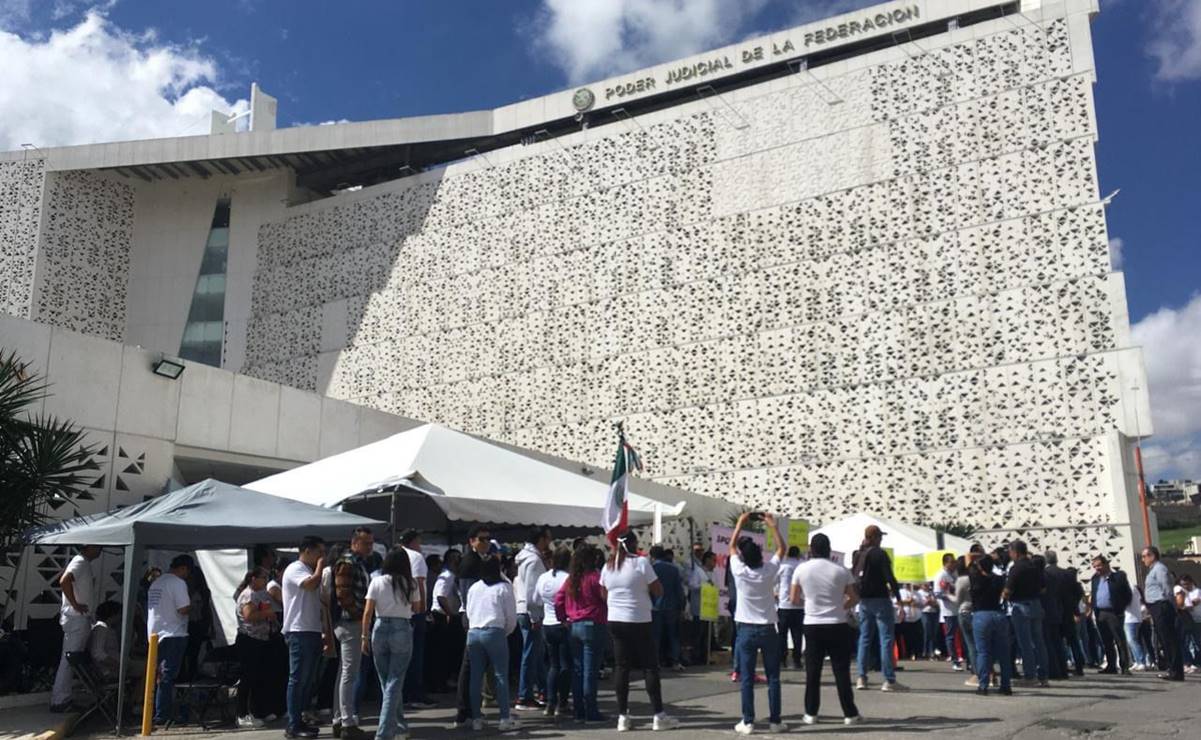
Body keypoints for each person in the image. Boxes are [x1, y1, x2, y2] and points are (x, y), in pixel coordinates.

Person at [602, 531, 679, 732]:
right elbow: (658, 590)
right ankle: (658, 715)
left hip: (615, 619)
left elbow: (603, 592)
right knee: (649, 667)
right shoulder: (641, 563)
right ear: (633, 545)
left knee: (622, 667)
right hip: (639, 619)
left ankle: (623, 716)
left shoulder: (609, 565)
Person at [789, 533, 860, 726]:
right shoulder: (841, 570)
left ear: (811, 549)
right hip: (837, 623)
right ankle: (850, 713)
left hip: (812, 623)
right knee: (841, 671)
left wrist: (810, 604)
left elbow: (794, 598)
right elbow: (854, 598)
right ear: (829, 549)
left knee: (813, 671)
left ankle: (811, 712)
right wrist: (840, 606)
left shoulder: (801, 569)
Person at [728, 512, 787, 734]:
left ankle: (748, 721)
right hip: (768, 628)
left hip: (745, 628)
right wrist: (772, 526)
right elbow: (782, 549)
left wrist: (741, 522)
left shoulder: (740, 570)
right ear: (761, 555)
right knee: (773, 677)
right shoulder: (768, 571)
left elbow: (732, 547)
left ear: (744, 556)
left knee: (746, 677)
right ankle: (775, 720)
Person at [361, 546, 420, 740]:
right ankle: (385, 733)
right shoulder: (410, 583)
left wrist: (364, 636)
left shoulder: (377, 581)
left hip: (379, 627)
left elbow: (368, 612)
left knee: (386, 681)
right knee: (394, 681)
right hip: (401, 627)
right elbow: (417, 607)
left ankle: (400, 726)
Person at [282, 536, 330, 739]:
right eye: (319, 552)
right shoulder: (296, 568)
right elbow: (310, 585)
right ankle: (293, 724)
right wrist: (320, 567)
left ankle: (300, 719)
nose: (322, 556)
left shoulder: (309, 570)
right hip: (298, 630)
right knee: (298, 678)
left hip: (310, 630)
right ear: (307, 551)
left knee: (308, 679)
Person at [465, 556, 520, 732]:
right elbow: (511, 616)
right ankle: (504, 717)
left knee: (476, 676)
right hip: (494, 631)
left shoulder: (474, 587)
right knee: (500, 675)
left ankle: (476, 718)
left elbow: (469, 611)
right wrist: (505, 632)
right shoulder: (504, 587)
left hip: (474, 632)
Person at [555, 545, 608, 724]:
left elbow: (558, 599)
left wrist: (562, 618)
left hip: (574, 625)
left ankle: (579, 710)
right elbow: (606, 598)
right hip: (593, 623)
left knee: (578, 670)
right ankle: (591, 711)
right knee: (590, 671)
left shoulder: (571, 579)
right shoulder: (595, 578)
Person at [330, 527, 373, 739]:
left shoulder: (356, 563)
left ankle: (339, 719)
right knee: (349, 673)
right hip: (350, 623)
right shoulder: (348, 563)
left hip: (349, 622)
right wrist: (360, 615)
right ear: (354, 542)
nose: (369, 547)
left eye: (370, 543)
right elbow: (343, 593)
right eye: (365, 543)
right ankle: (346, 722)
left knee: (344, 673)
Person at [853, 525, 906, 691]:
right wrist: (899, 599)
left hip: (864, 600)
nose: (881, 539)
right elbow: (890, 577)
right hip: (881, 599)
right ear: (875, 537)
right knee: (886, 639)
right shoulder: (879, 554)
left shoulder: (859, 554)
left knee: (865, 638)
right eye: (880, 537)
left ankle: (861, 677)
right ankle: (889, 679)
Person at [50, 544, 101, 712]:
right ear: (88, 547)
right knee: (69, 659)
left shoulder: (83, 562)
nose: (100, 549)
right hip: (76, 618)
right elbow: (64, 580)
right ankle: (60, 700)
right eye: (97, 546)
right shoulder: (80, 561)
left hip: (79, 618)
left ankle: (64, 697)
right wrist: (75, 605)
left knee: (71, 659)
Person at [148, 554, 194, 727]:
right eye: (188, 572)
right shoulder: (178, 583)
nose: (187, 576)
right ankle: (162, 714)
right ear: (183, 568)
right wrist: (192, 606)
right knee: (167, 677)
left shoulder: (156, 582)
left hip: (155, 634)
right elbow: (182, 609)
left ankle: (153, 711)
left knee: (157, 676)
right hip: (173, 633)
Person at [453, 526, 492, 727]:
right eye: (482, 539)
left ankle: (467, 708)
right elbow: (467, 595)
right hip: (472, 618)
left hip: (476, 618)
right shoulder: (470, 562)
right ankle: (464, 710)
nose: (486, 543)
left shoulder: (479, 560)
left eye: (488, 539)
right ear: (472, 541)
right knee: (470, 666)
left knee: (474, 665)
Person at [532, 546, 572, 719]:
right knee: (566, 666)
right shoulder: (568, 578)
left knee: (553, 665)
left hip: (547, 623)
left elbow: (535, 600)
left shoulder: (543, 577)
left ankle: (550, 702)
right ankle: (562, 702)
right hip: (563, 624)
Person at [397, 530, 435, 710]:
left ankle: (403, 694)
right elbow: (420, 583)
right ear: (413, 541)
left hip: (399, 609)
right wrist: (423, 608)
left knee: (401, 656)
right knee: (416, 654)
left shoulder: (395, 555)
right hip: (415, 610)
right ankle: (415, 693)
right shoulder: (417, 557)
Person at [1003, 540, 1049, 686]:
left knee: (1025, 643)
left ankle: (1030, 676)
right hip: (1036, 603)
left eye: (1010, 552)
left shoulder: (1016, 568)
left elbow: (1008, 590)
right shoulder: (1034, 566)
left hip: (1021, 605)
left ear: (1015, 552)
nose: (1010, 555)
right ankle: (1043, 676)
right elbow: (1043, 589)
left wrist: (1005, 596)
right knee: (1039, 642)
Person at [235, 567, 277, 728]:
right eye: (263, 578)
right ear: (253, 578)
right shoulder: (248, 594)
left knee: (261, 677)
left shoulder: (262, 593)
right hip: (249, 639)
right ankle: (242, 713)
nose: (265, 581)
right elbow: (249, 616)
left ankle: (259, 710)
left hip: (262, 638)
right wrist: (266, 614)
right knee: (248, 677)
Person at [514, 526, 550, 710]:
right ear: (541, 539)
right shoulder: (534, 561)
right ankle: (524, 695)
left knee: (535, 654)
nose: (549, 542)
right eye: (548, 538)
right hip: (530, 612)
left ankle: (543, 690)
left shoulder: (525, 558)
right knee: (530, 654)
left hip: (524, 609)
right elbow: (532, 591)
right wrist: (535, 616)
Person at [969, 554, 1012, 696]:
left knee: (983, 652)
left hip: (981, 614)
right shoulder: (999, 579)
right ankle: (1006, 685)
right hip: (998, 614)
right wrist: (996, 559)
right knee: (1003, 652)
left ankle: (983, 684)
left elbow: (968, 560)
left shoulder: (976, 579)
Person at [1141, 547, 1184, 681]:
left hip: (1162, 605)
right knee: (1164, 640)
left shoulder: (1159, 569)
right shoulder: (1152, 570)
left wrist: (1170, 606)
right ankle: (1172, 669)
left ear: (1152, 556)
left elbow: (1166, 588)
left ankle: (1176, 671)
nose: (1143, 560)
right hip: (1156, 606)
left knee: (1169, 639)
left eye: (1144, 556)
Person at [1088, 553, 1132, 675]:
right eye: (1095, 566)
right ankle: (1111, 665)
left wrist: (1120, 607)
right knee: (1106, 641)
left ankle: (1124, 666)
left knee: (1119, 640)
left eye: (1099, 565)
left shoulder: (1118, 577)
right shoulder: (1095, 579)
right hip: (1100, 613)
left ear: (1106, 564)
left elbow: (1127, 594)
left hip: (1113, 613)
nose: (1097, 568)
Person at [429, 549, 462, 694]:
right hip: (442, 615)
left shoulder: (448, 575)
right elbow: (441, 597)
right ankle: (439, 683)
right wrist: (450, 613)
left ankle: (441, 681)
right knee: (442, 653)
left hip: (443, 614)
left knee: (444, 653)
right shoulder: (448, 576)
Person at [650, 547, 685, 671]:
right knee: (673, 635)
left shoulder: (652, 569)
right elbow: (678, 589)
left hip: (655, 607)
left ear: (652, 556)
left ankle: (655, 662)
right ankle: (675, 661)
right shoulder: (673, 569)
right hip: (672, 606)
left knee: (656, 636)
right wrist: (682, 605)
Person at [1041, 551, 1073, 681]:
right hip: (1061, 610)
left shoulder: (1046, 574)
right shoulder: (1065, 573)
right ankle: (1063, 669)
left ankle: (1054, 670)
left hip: (1048, 610)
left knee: (1049, 641)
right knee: (1059, 641)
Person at [776, 546, 804, 671]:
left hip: (784, 604)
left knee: (782, 634)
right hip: (799, 605)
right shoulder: (802, 567)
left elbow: (774, 581)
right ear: (798, 555)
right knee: (797, 634)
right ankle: (797, 660)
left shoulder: (783, 566)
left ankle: (782, 659)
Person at [934, 553, 962, 670]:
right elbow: (937, 593)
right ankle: (955, 660)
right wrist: (950, 595)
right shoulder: (941, 575)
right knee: (950, 636)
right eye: (952, 562)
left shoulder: (955, 574)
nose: (954, 564)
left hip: (959, 608)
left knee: (962, 635)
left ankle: (965, 658)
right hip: (949, 611)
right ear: (946, 563)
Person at [954, 558, 977, 686]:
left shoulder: (961, 580)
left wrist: (946, 594)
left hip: (964, 611)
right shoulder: (974, 578)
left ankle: (976, 672)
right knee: (979, 644)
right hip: (976, 610)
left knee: (971, 645)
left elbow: (957, 600)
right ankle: (987, 672)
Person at [89, 601, 123, 680]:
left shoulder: (107, 629)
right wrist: (117, 665)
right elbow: (97, 653)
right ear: (113, 615)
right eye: (119, 614)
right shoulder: (101, 629)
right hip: (109, 670)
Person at [1174, 574, 1201, 672]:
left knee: (1197, 642)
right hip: (1190, 619)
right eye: (1183, 584)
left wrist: (1183, 607)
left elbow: (1195, 603)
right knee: (1190, 643)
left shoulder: (1197, 591)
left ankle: (1196, 662)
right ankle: (1194, 662)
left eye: (1186, 584)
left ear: (1191, 582)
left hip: (1198, 620)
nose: (1185, 586)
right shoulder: (1186, 592)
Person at [1124, 582, 1150, 671]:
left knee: (1132, 640)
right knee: (1132, 641)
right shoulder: (1133, 588)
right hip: (1133, 617)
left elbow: (1126, 602)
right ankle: (1137, 661)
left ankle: (1141, 661)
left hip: (1131, 618)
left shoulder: (1129, 588)